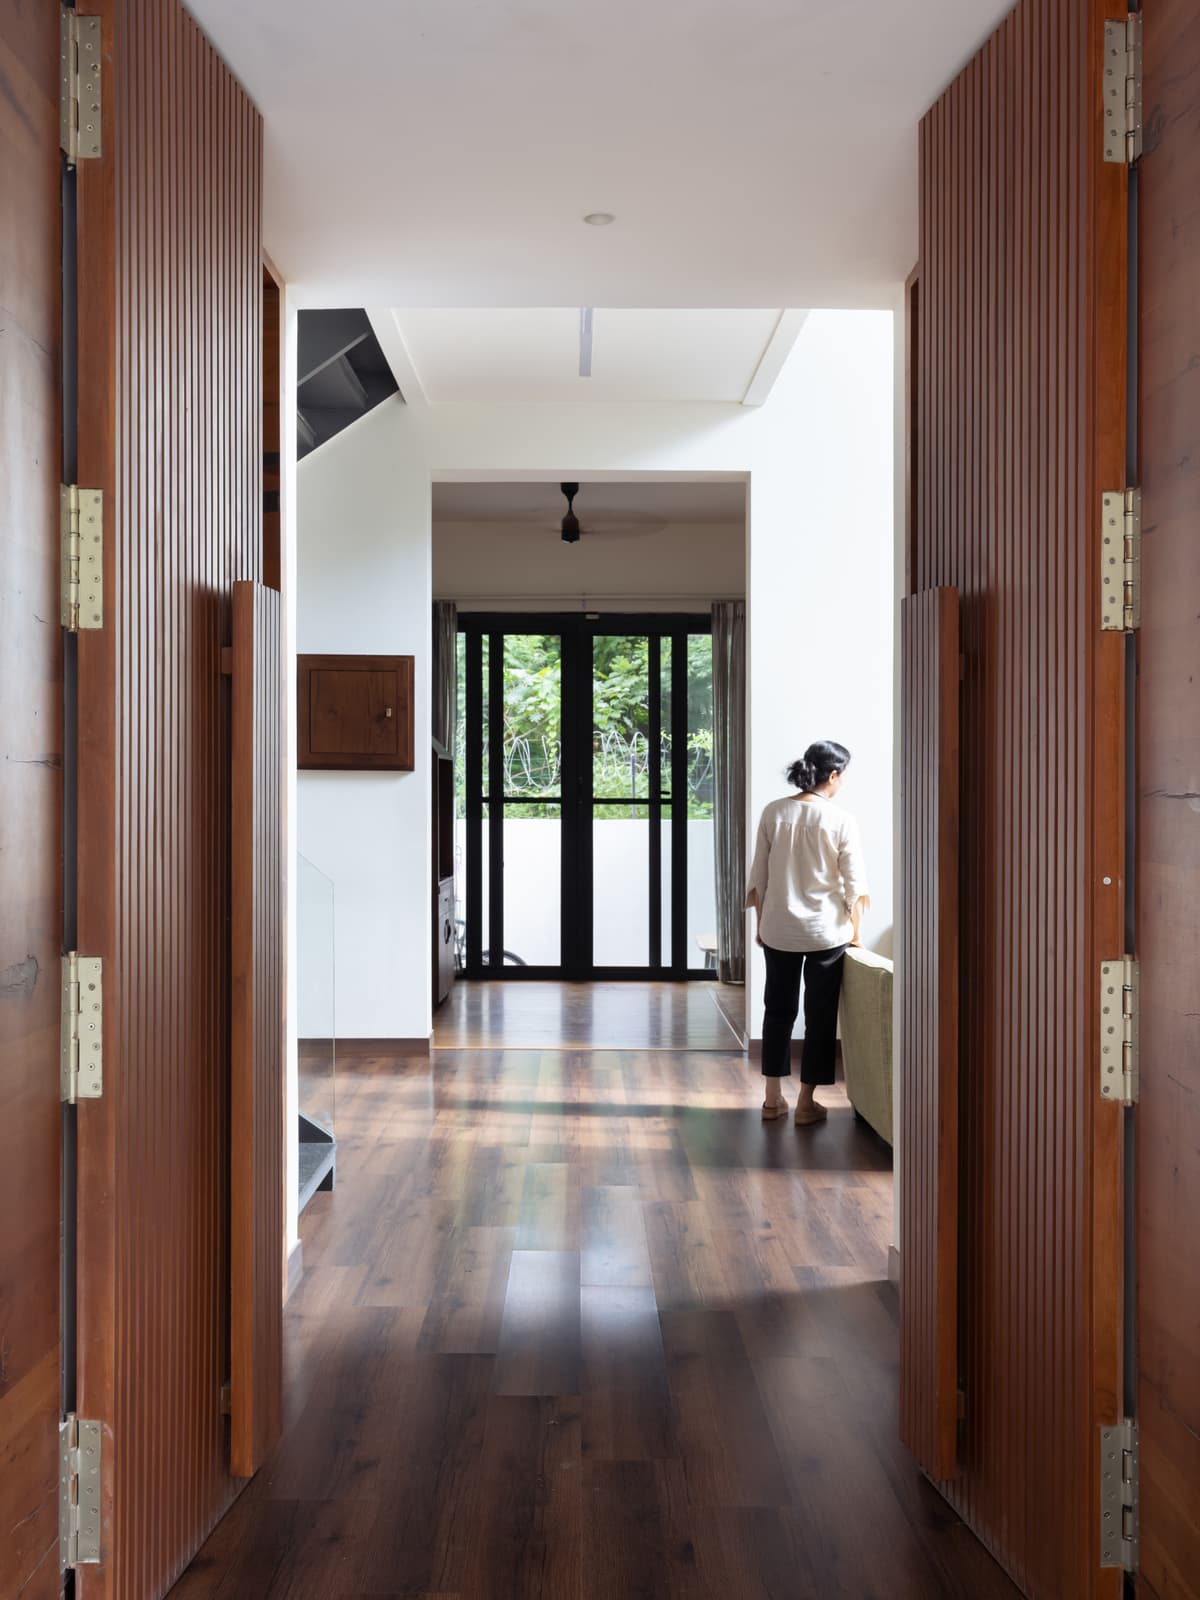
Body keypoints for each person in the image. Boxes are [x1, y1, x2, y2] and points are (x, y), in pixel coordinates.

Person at [745, 740, 869, 1125]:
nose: (843, 782)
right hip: (825, 933)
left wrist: (763, 926)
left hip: (779, 929)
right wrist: (856, 934)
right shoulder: (841, 820)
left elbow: (759, 879)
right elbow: (855, 887)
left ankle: (770, 1099)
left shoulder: (774, 812)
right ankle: (805, 1103)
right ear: (832, 775)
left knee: (777, 1010)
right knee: (820, 1015)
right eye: (843, 775)